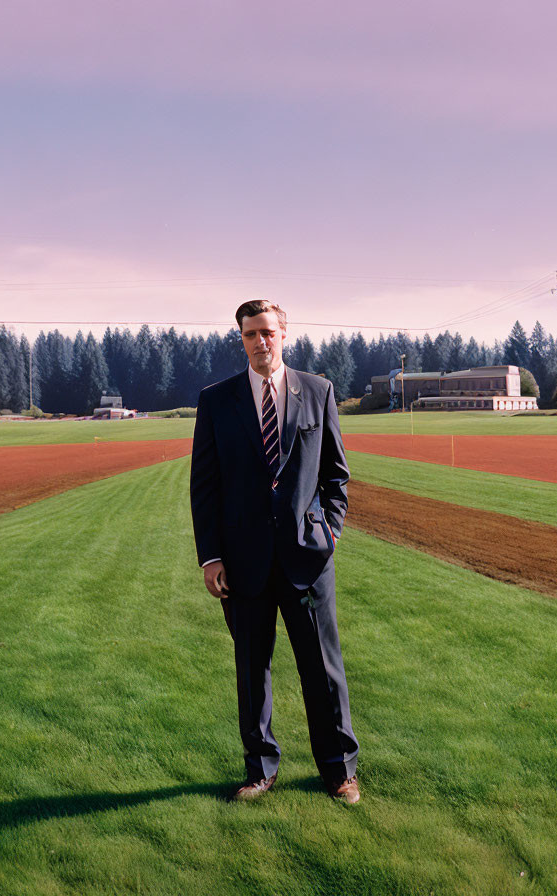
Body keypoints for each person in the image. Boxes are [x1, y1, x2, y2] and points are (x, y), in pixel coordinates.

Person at [190, 299, 360, 803]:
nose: (260, 342)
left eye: (267, 332)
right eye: (250, 334)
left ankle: (339, 770)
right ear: (240, 339)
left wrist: (328, 533)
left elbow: (335, 475)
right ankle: (260, 769)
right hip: (243, 564)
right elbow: (206, 487)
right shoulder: (217, 401)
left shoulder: (318, 391)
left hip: (307, 558)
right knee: (251, 671)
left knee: (323, 670)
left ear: (284, 335)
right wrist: (211, 556)